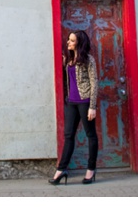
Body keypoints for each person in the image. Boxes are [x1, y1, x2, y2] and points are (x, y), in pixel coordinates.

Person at [49, 30, 99, 185]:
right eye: (68, 40)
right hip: (71, 102)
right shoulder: (69, 60)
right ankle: (61, 170)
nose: (68, 42)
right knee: (68, 135)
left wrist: (92, 106)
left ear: (79, 43)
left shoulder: (88, 60)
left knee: (91, 135)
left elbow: (94, 83)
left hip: (85, 102)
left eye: (71, 40)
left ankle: (91, 170)